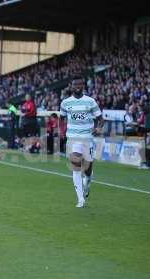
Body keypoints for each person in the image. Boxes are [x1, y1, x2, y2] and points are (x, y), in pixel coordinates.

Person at [60, 76, 103, 208]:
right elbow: (62, 118)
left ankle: (88, 180)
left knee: (88, 168)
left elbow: (100, 118)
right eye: (75, 84)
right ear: (71, 86)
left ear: (83, 86)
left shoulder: (90, 101)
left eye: (80, 84)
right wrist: (62, 132)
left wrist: (98, 127)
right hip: (73, 138)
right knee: (76, 165)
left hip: (87, 138)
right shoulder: (66, 103)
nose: (78, 86)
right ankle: (80, 199)